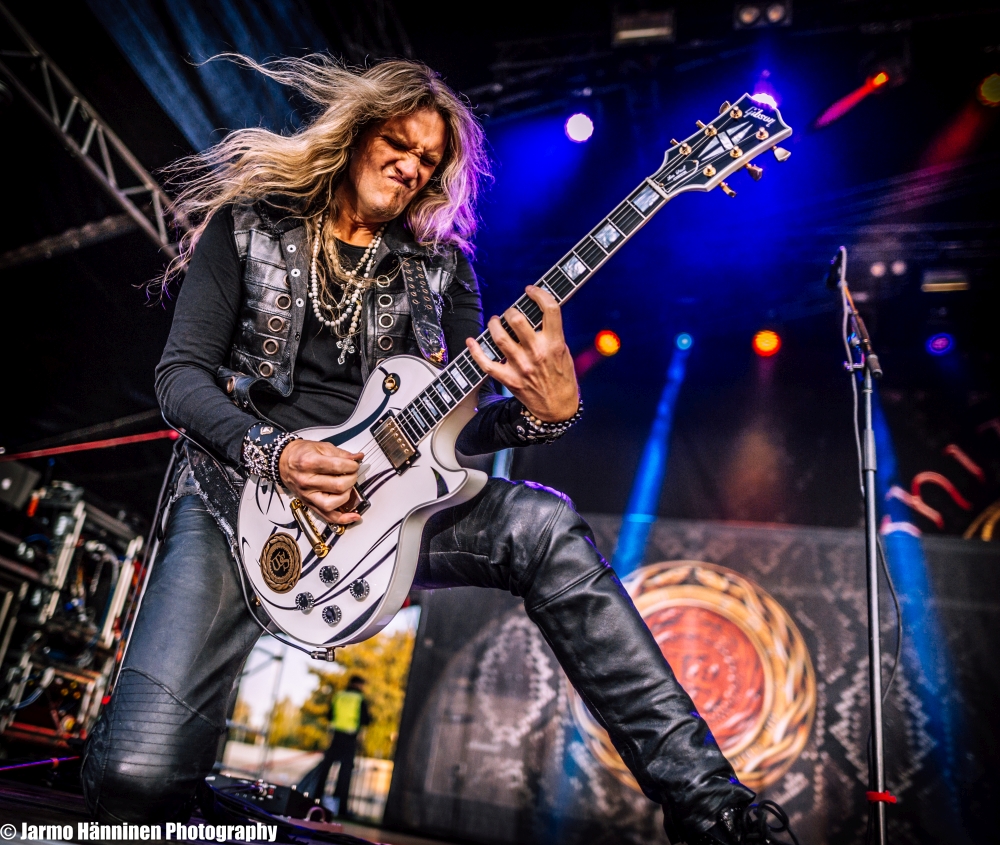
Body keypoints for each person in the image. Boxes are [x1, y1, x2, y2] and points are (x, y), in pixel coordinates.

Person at [81, 57, 792, 844]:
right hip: (234, 499)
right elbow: (180, 378)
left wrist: (543, 416)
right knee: (136, 784)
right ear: (357, 134)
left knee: (544, 528)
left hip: (383, 513)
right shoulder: (249, 223)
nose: (412, 166)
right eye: (399, 143)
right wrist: (274, 453)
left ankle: (713, 808)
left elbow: (461, 434)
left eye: (429, 159)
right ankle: (218, 798)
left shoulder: (441, 270)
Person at [298, 675, 371, 817]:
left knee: (325, 770)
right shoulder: (359, 698)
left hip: (336, 737)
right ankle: (340, 808)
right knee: (345, 774)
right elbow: (365, 720)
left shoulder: (339, 696)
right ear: (359, 685)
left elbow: (330, 716)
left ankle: (316, 800)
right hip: (350, 738)